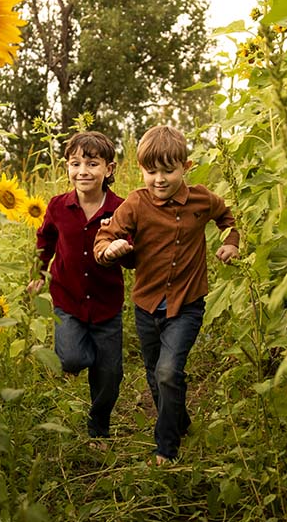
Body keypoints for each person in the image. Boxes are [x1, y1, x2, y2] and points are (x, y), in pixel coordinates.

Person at [94, 125, 239, 463]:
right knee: (155, 373)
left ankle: (167, 448)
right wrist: (109, 250)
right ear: (141, 169)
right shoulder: (135, 204)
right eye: (150, 171)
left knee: (169, 371)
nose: (159, 179)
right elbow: (106, 236)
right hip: (146, 306)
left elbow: (227, 217)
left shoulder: (202, 199)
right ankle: (180, 420)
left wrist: (230, 242)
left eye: (168, 171)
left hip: (187, 305)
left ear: (185, 167)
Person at [27, 131, 131, 441]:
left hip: (106, 304)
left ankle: (98, 428)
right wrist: (38, 271)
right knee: (72, 358)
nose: (83, 171)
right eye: (75, 163)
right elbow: (45, 240)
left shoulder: (121, 209)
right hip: (67, 298)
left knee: (110, 376)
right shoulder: (58, 206)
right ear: (67, 168)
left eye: (92, 163)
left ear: (108, 169)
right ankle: (77, 360)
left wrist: (123, 250)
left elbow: (133, 253)